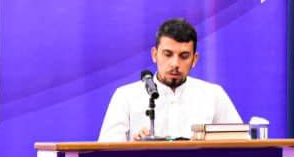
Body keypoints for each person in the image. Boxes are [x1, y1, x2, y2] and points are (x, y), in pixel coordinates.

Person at [98, 18, 240, 141]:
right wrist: (134, 147)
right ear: (155, 55)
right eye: (168, 54)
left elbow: (238, 144)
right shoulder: (126, 96)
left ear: (194, 59)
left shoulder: (213, 95)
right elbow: (107, 151)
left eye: (184, 56)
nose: (175, 64)